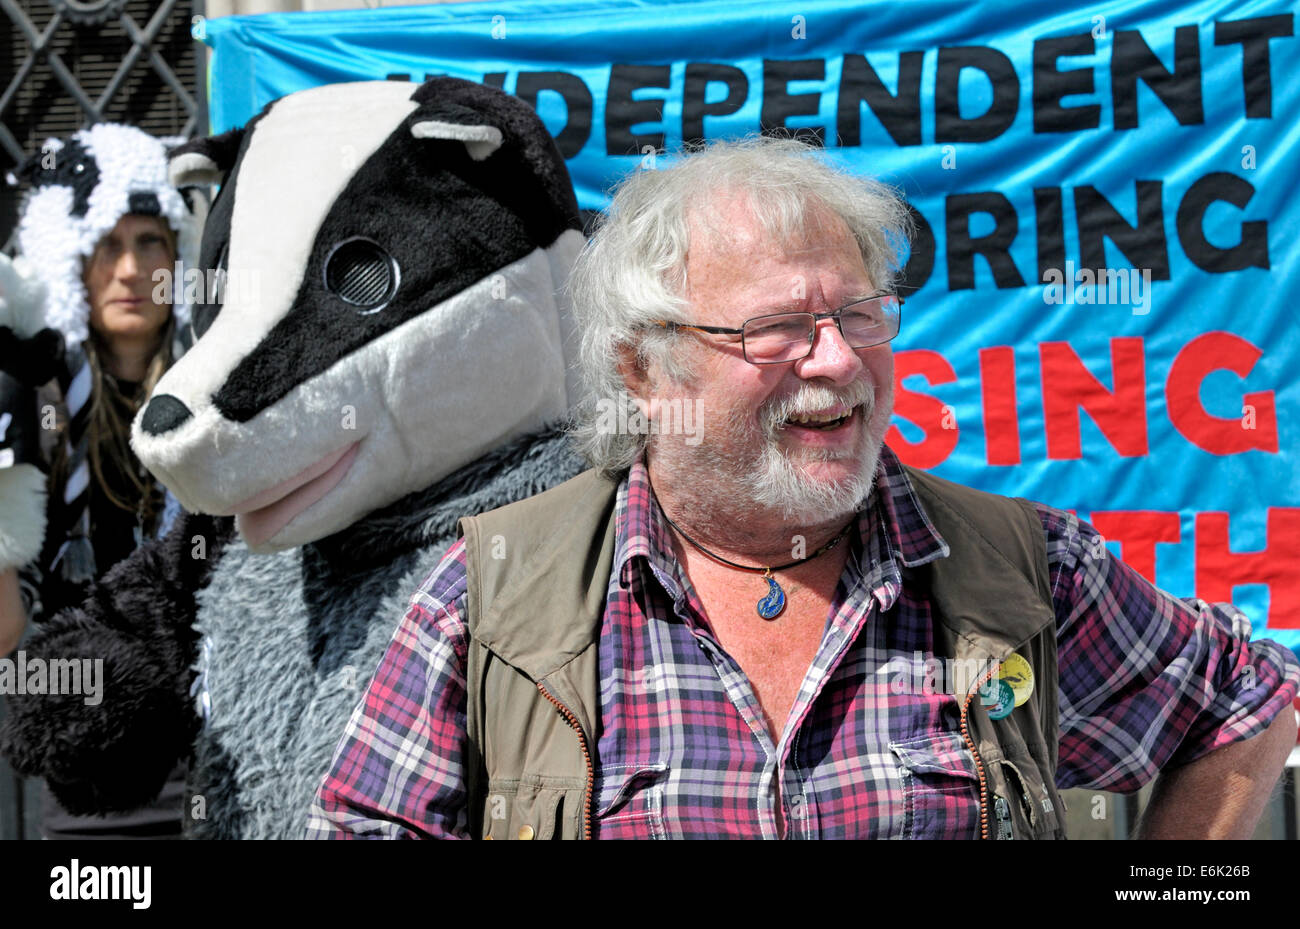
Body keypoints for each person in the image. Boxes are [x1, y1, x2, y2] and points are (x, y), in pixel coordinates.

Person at [307, 137, 1299, 840]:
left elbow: (1246, 699)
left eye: (860, 315)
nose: (836, 361)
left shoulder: (1021, 569)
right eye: (776, 326)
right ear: (646, 370)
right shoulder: (488, 600)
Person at [0, 123, 203, 837]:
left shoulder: (220, 396)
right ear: (70, 262)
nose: (128, 269)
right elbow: (6, 631)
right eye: (106, 245)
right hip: (88, 759)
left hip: (215, 753)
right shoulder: (33, 400)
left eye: (150, 241)